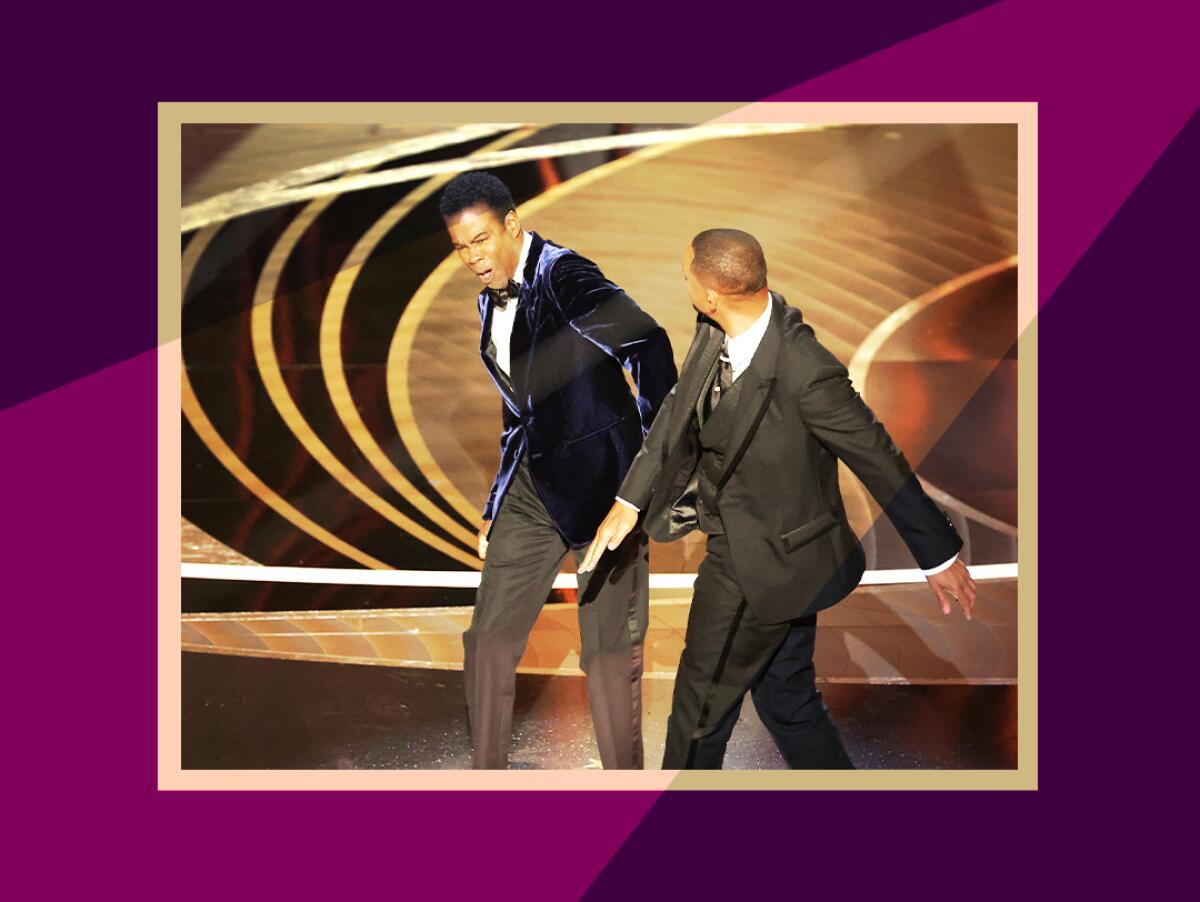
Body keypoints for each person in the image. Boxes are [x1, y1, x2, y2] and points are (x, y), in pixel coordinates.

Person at [579, 228, 976, 769]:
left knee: (697, 716)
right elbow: (678, 406)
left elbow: (877, 457)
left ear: (711, 292)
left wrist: (938, 553)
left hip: (760, 561)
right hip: (772, 559)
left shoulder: (808, 371)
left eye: (687, 274)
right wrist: (630, 499)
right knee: (786, 702)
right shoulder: (715, 326)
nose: (687, 284)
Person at [439, 171, 677, 769]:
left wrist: (642, 481)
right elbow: (520, 409)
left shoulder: (567, 277)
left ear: (512, 224)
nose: (472, 259)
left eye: (481, 241)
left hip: (604, 494)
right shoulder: (487, 295)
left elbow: (649, 347)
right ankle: (486, 778)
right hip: (532, 488)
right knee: (488, 640)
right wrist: (497, 503)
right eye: (460, 247)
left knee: (606, 655)